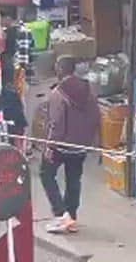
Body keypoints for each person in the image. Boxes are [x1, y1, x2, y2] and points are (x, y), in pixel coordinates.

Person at [40, 54, 100, 234]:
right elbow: (97, 116)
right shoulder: (89, 91)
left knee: (46, 175)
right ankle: (72, 217)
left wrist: (49, 146)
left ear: (59, 70)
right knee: (74, 180)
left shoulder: (58, 94)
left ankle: (61, 215)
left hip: (61, 145)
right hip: (81, 146)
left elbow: (55, 123)